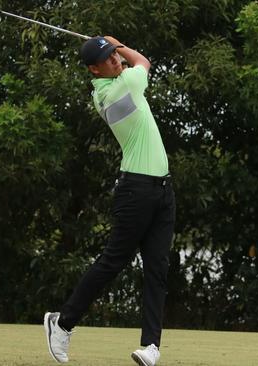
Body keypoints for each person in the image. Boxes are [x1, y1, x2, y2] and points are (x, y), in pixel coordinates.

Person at [44, 35, 175, 366]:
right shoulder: (120, 88)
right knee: (112, 262)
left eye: (115, 55)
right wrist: (120, 43)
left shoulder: (114, 84)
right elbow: (143, 60)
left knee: (157, 268)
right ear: (94, 69)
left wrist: (112, 46)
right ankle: (61, 324)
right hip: (137, 190)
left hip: (161, 189)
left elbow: (134, 65)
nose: (116, 60)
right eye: (109, 58)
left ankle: (150, 347)